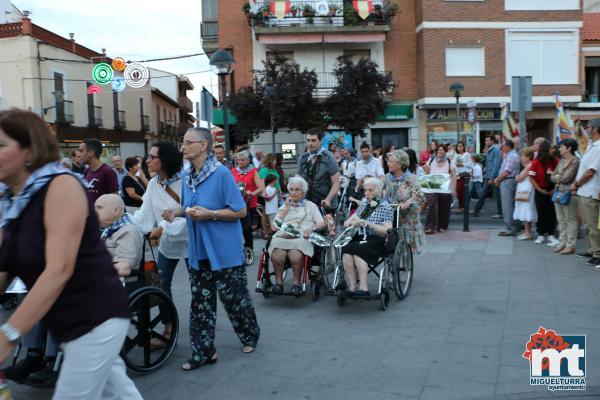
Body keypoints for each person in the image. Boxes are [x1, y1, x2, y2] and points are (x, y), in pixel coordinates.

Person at [0, 109, 141, 399]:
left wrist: (10, 334)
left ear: (29, 150)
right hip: (69, 322)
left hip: (95, 317)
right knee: (121, 394)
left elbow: (59, 269)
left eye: (1, 145)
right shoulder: (10, 200)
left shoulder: (61, 186)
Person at [163, 127, 259, 371]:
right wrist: (177, 211)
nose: (182, 147)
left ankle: (250, 335)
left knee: (234, 299)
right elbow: (188, 206)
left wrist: (211, 214)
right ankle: (204, 351)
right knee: (201, 304)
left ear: (203, 145)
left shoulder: (222, 174)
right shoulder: (187, 176)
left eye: (187, 142)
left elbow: (240, 211)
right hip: (198, 250)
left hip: (225, 250)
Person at [131, 142, 188, 348]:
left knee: (200, 287)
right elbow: (144, 215)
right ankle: (169, 327)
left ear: (165, 160)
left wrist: (163, 227)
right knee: (162, 285)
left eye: (152, 156)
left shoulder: (186, 180)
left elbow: (191, 213)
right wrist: (122, 222)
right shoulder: (154, 184)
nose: (147, 160)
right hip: (169, 244)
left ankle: (202, 326)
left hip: (193, 242)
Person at [268, 176, 327, 295]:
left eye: (297, 190)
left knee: (295, 255)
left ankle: (297, 284)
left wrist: (312, 228)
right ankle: (278, 283)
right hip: (283, 237)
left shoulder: (311, 206)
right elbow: (274, 227)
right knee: (277, 255)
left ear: (303, 192)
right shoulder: (284, 206)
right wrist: (286, 210)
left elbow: (322, 223)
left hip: (301, 237)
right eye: (291, 190)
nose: (294, 192)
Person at [341, 177, 393, 297]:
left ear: (378, 191)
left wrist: (368, 223)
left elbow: (387, 230)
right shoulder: (364, 204)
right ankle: (352, 286)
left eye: (370, 190)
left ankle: (364, 287)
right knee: (347, 249)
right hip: (360, 237)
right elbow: (348, 222)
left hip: (376, 239)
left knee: (358, 250)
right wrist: (351, 222)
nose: (367, 193)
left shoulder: (385, 207)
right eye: (365, 190)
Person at [570, 119, 600, 267]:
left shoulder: (599, 147)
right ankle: (591, 249)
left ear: (595, 129)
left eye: (588, 127)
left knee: (592, 225)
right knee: (588, 225)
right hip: (585, 190)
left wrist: (576, 184)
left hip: (591, 191)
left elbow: (590, 172)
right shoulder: (591, 145)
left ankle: (597, 253)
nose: (586, 130)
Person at [384, 150, 425, 254]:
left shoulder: (412, 178)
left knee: (407, 248)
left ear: (400, 164)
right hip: (390, 215)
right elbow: (380, 194)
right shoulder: (386, 178)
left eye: (391, 161)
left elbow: (419, 195)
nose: (388, 163)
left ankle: (407, 265)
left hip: (407, 217)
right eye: (388, 161)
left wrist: (408, 202)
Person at [95, 194, 143, 281]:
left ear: (116, 211)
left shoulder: (128, 232)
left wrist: (90, 270)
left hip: (120, 286)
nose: (94, 211)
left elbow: (123, 268)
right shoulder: (109, 229)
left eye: (99, 208)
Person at [296, 128, 341, 211]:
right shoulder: (302, 158)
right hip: (307, 203)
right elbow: (297, 181)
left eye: (313, 140)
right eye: (308, 140)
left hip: (325, 204)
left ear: (320, 141)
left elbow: (336, 183)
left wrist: (328, 199)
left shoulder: (329, 157)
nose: (310, 143)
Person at [551, 139, 580, 255]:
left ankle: (570, 245)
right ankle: (562, 242)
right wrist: (558, 176)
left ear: (569, 148)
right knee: (561, 219)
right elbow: (552, 176)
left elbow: (566, 178)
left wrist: (558, 176)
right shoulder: (562, 160)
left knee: (570, 220)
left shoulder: (575, 161)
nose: (559, 149)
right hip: (558, 192)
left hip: (569, 193)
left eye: (561, 147)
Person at [528, 139, 559, 246]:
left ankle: (551, 234)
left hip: (552, 190)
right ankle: (540, 234)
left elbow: (559, 175)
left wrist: (553, 190)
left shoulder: (555, 161)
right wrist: (540, 190)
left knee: (552, 213)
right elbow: (531, 178)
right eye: (550, 148)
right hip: (540, 190)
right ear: (546, 149)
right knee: (541, 213)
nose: (553, 150)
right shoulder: (536, 162)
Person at [231, 150, 264, 247]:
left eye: (242, 160)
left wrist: (252, 193)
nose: (240, 162)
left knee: (246, 228)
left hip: (249, 204)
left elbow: (261, 188)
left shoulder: (253, 171)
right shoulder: (233, 171)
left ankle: (249, 249)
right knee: (236, 227)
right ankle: (237, 248)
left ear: (248, 161)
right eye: (238, 160)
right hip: (236, 203)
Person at [424, 145, 457, 234]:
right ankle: (430, 227)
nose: (440, 152)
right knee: (432, 206)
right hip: (432, 188)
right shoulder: (431, 160)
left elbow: (454, 175)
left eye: (442, 150)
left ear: (445, 152)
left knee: (444, 208)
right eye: (438, 150)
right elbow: (426, 171)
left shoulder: (450, 161)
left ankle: (442, 226)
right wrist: (426, 169)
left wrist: (453, 188)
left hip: (445, 188)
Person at [78, 138, 119, 204]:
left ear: (91, 153)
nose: (79, 155)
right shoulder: (86, 171)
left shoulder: (108, 172)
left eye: (81, 151)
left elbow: (115, 199)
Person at [471, 135, 502, 218]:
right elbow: (490, 163)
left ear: (492, 141)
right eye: (485, 140)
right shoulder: (490, 150)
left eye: (488, 140)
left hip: (493, 176)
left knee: (498, 195)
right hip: (488, 175)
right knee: (482, 194)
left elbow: (496, 165)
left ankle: (500, 212)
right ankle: (476, 210)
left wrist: (492, 178)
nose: (486, 142)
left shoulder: (495, 150)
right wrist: (485, 170)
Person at [494, 139, 520, 237]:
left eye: (503, 146)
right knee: (512, 206)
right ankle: (515, 227)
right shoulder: (511, 155)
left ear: (508, 146)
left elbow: (507, 172)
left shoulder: (511, 156)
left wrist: (498, 179)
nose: (502, 148)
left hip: (508, 181)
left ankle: (510, 228)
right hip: (510, 181)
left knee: (507, 206)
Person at [514, 147, 537, 241]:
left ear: (528, 157)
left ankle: (527, 232)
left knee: (525, 209)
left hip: (525, 190)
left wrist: (517, 177)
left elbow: (520, 178)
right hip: (526, 189)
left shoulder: (528, 166)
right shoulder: (529, 165)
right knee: (527, 210)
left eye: (523, 156)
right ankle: (527, 232)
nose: (521, 158)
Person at [453, 141, 472, 214]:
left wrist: (461, 164)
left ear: (463, 147)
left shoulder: (467, 154)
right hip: (457, 175)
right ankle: (462, 206)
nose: (459, 147)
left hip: (464, 174)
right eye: (458, 146)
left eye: (461, 146)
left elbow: (470, 164)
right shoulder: (455, 155)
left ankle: (462, 207)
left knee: (463, 191)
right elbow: (454, 164)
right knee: (458, 191)